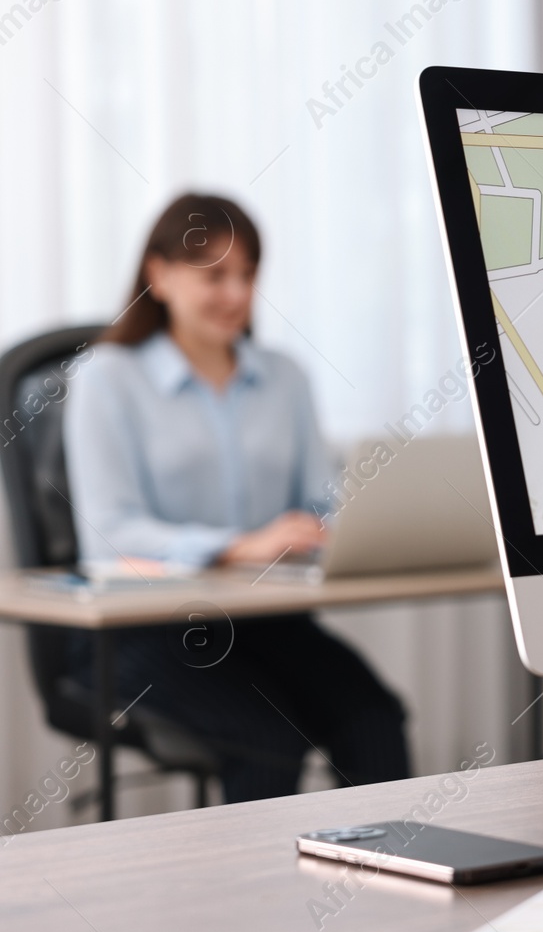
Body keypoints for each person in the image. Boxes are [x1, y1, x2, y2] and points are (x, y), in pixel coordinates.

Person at [64, 193, 411, 803]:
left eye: (248, 275)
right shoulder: (106, 378)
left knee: (374, 718)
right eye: (215, 274)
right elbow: (111, 531)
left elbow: (321, 501)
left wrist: (341, 527)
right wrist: (238, 546)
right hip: (148, 631)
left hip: (266, 623)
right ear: (159, 275)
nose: (237, 293)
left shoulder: (284, 378)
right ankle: (261, 901)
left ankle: (393, 881)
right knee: (266, 737)